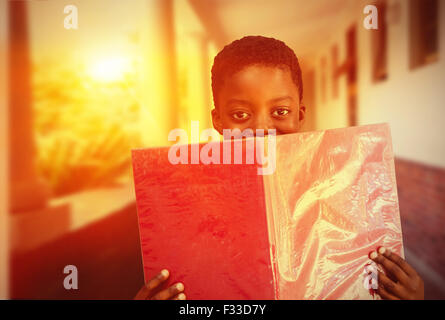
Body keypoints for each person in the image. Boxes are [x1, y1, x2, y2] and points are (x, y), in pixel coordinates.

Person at [135, 36, 424, 300]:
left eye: (280, 112)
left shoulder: (348, 189)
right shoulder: (180, 208)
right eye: (240, 114)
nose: (262, 129)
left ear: (299, 114)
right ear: (218, 121)